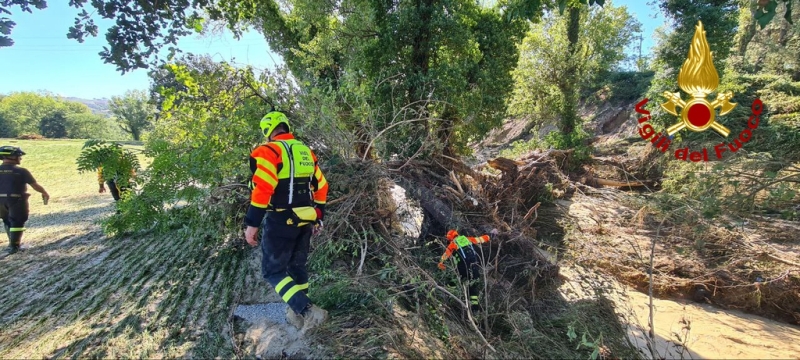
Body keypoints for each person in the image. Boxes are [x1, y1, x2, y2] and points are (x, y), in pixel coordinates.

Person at [243, 111, 330, 331]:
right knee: (297, 266)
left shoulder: (268, 151)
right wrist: (319, 216)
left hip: (281, 220)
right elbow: (321, 186)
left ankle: (308, 311)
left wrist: (252, 224)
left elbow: (263, 189)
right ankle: (297, 314)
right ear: (286, 126)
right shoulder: (306, 152)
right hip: (306, 219)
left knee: (272, 271)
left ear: (267, 131)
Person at [0, 146, 49, 255]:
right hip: (16, 200)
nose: (20, 158)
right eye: (18, 155)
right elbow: (34, 185)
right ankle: (14, 246)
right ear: (10, 156)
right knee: (17, 221)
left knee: (7, 220)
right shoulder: (21, 171)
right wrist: (44, 192)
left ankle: (11, 243)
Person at [438, 229, 491, 312]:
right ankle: (475, 310)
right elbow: (479, 239)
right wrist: (487, 237)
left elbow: (446, 254)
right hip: (474, 266)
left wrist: (441, 263)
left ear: (450, 238)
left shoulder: (453, 243)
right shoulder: (467, 239)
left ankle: (447, 298)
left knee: (453, 281)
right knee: (472, 288)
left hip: (463, 267)